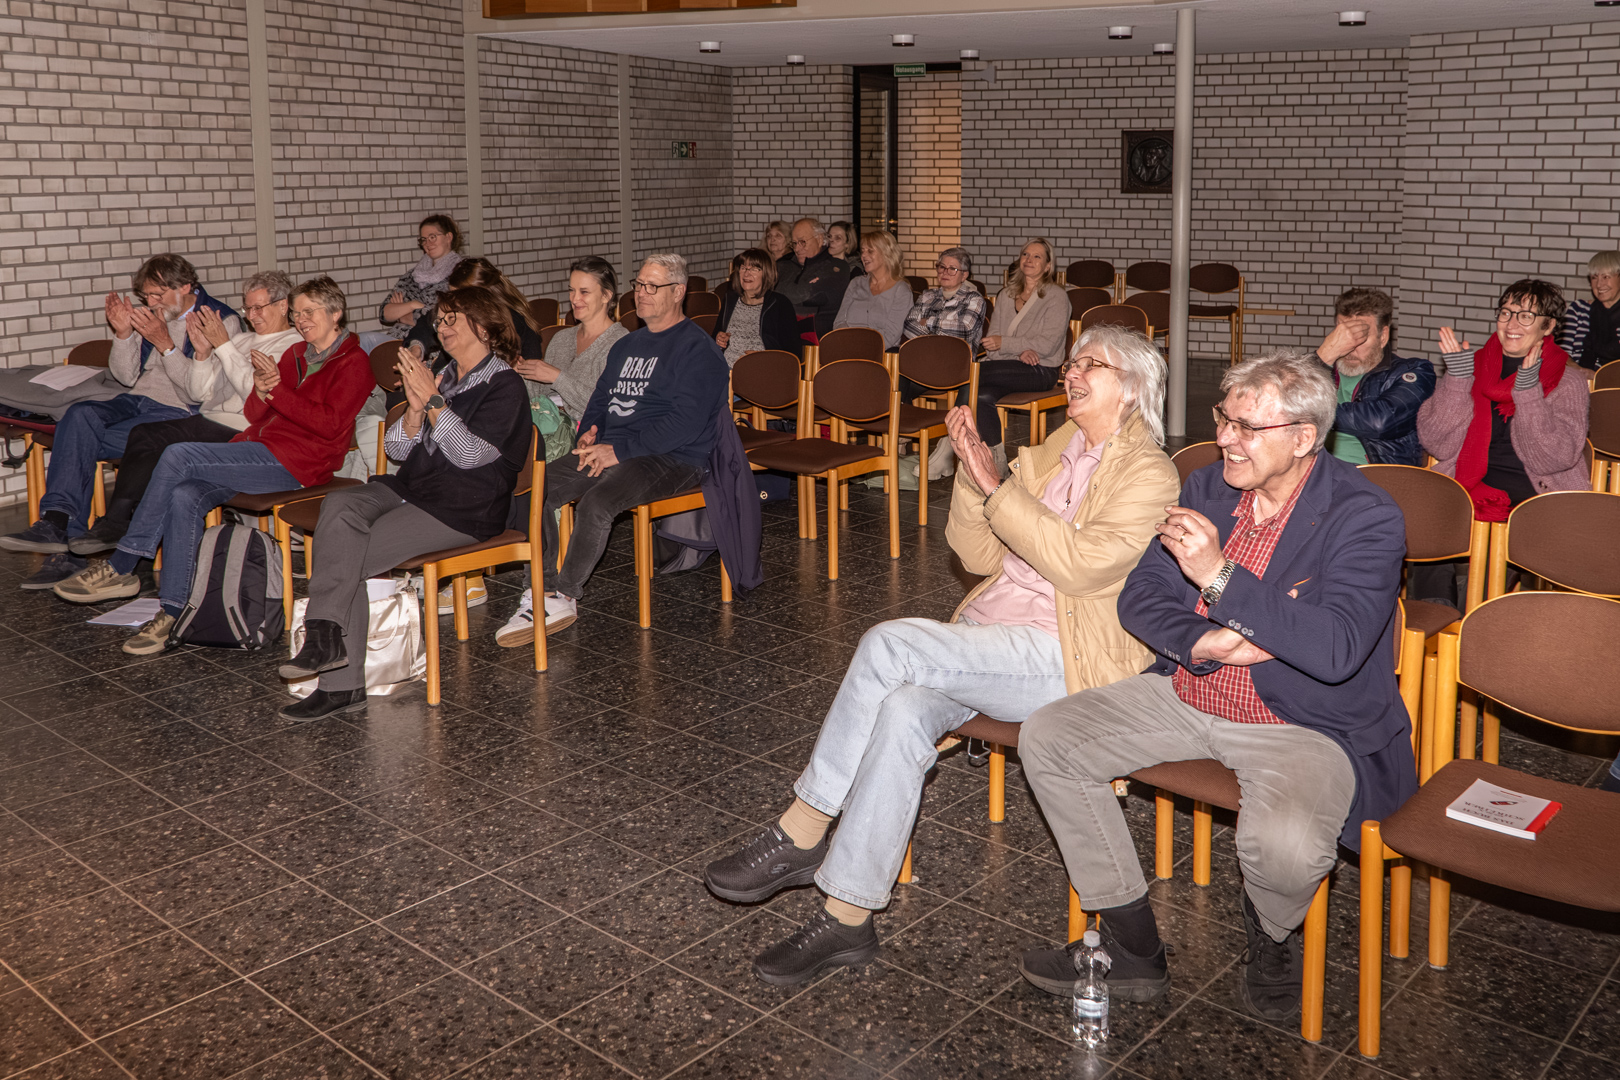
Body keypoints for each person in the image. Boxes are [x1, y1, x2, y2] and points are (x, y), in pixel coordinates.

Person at [702, 325, 1181, 987]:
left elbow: (1078, 566)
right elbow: (977, 556)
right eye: (1072, 363)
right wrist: (972, 476)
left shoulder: (1150, 473)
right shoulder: (1058, 448)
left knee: (889, 643)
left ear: (1130, 387)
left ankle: (804, 826)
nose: (1071, 373)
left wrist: (998, 487)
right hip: (991, 639)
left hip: (1064, 657)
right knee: (903, 710)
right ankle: (847, 915)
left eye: (1090, 365)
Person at [1016, 350, 1415, 1023]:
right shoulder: (1207, 487)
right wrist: (1205, 642)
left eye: (1247, 427)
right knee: (1050, 735)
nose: (1225, 437)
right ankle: (1133, 944)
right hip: (1189, 689)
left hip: (1301, 722)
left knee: (1284, 852)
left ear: (1303, 437)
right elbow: (1141, 596)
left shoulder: (1365, 515)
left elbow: (1335, 648)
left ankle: (1272, 928)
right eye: (1224, 419)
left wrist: (1218, 578)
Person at [51, 277, 375, 655]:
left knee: (178, 454)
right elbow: (256, 414)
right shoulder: (296, 354)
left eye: (309, 312)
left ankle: (123, 563)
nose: (302, 320)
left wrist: (277, 392)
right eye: (298, 313)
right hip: (260, 449)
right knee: (184, 493)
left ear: (336, 314)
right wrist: (264, 390)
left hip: (300, 464)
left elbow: (328, 425)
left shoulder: (354, 363)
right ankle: (173, 611)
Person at [277, 286, 530, 720]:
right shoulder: (445, 375)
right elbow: (396, 450)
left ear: (485, 328)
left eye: (453, 319)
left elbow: (470, 456)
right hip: (412, 488)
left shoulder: (504, 385)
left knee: (348, 554)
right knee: (340, 507)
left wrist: (432, 401)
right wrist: (413, 411)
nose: (442, 328)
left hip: (464, 506)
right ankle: (325, 638)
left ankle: (339, 680)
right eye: (440, 320)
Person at [1, 254, 239, 572]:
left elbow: (198, 395)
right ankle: (56, 520)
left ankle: (68, 554)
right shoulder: (155, 315)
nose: (151, 303)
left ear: (185, 286)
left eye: (158, 294)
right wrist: (124, 334)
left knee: (76, 445)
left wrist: (165, 344)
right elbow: (126, 378)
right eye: (146, 296)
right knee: (79, 415)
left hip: (179, 414)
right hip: (136, 401)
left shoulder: (220, 321)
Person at [535, 253, 729, 634]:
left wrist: (617, 451)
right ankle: (541, 585)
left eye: (652, 287)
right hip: (614, 447)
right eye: (639, 285)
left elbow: (685, 424)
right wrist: (591, 430)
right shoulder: (628, 345)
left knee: (597, 503)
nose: (641, 293)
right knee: (537, 489)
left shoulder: (698, 350)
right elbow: (601, 396)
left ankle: (565, 595)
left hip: (672, 457)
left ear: (678, 292)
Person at [57, 272, 303, 565]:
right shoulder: (241, 340)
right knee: (144, 434)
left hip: (244, 427)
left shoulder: (293, 344)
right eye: (248, 308)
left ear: (283, 305)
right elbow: (199, 393)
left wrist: (223, 346)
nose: (252, 315)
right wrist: (202, 355)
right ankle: (116, 521)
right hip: (211, 417)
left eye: (259, 307)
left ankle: (120, 523)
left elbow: (254, 393)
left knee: (156, 441)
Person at [494, 256, 628, 648]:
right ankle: (534, 582)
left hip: (594, 436)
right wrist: (519, 374)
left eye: (584, 291)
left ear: (607, 296)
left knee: (532, 472)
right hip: (553, 429)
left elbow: (610, 407)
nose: (575, 299)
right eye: (571, 290)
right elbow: (541, 394)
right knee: (515, 453)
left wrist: (556, 376)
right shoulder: (564, 339)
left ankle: (545, 588)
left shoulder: (620, 343)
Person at [1418, 279, 1589, 524]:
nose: (1511, 324)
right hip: (1469, 490)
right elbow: (1437, 444)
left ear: (1548, 325)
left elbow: (1555, 459)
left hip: (1538, 498)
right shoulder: (1471, 366)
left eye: (1526, 316)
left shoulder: (1568, 381)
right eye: (1506, 313)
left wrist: (1528, 393)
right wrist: (1457, 380)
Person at [1312, 287, 1435, 466]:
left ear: (1383, 336)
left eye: (1360, 337)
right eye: (1343, 335)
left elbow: (1381, 421)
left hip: (1371, 473)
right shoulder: (1320, 364)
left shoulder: (1413, 370)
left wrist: (1311, 411)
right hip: (1312, 468)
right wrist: (1324, 355)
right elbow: (1282, 400)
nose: (1350, 346)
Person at [973, 238, 1072, 452]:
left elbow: (1047, 345)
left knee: (971, 373)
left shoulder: (1056, 297)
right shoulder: (1005, 295)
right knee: (979, 396)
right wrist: (1018, 352)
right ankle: (994, 457)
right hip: (1005, 366)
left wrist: (1005, 344)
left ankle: (950, 441)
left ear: (1047, 266)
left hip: (1041, 369)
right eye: (1025, 254)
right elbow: (991, 343)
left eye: (1037, 256)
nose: (1029, 259)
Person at [362, 214, 463, 350]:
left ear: (448, 237)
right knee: (360, 342)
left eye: (432, 237)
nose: (428, 244)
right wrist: (412, 305)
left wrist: (402, 313)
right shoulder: (412, 275)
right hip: (398, 338)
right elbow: (384, 313)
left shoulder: (459, 274)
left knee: (367, 341)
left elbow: (437, 321)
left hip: (429, 345)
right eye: (423, 239)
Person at [715, 248, 801, 364]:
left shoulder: (779, 304)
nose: (746, 274)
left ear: (766, 274)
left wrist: (763, 357)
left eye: (754, 269)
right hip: (726, 367)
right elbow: (715, 336)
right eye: (743, 268)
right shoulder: (730, 299)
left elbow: (793, 354)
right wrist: (719, 339)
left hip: (763, 368)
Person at [831, 229, 911, 349]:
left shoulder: (901, 290)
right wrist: (847, 345)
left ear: (886, 254)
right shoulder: (856, 283)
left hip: (880, 353)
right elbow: (839, 322)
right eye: (862, 251)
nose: (863, 255)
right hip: (847, 349)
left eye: (870, 251)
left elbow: (891, 334)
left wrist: (862, 348)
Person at [775, 218, 851, 341]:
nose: (797, 249)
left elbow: (806, 296)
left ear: (819, 239)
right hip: (783, 338)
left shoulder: (836, 267)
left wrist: (781, 294)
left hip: (821, 342)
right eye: (794, 243)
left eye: (802, 242)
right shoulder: (784, 265)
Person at [902, 246, 987, 353]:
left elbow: (965, 331)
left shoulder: (973, 298)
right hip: (923, 356)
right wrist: (939, 340)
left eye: (952, 269)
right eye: (942, 267)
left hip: (956, 359)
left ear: (964, 275)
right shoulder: (926, 295)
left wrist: (928, 322)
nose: (945, 272)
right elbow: (909, 325)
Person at [1557, 251, 1620, 371]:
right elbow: (1560, 351)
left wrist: (1598, 376)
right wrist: (1579, 371)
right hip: (1576, 377)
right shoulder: (1579, 309)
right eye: (1594, 278)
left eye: (1606, 277)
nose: (1599, 284)